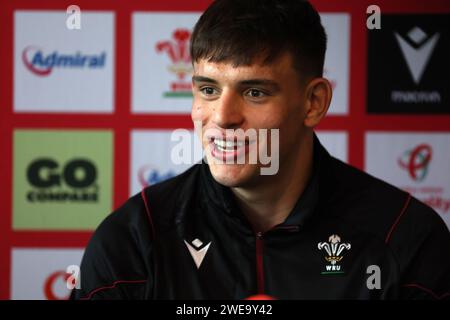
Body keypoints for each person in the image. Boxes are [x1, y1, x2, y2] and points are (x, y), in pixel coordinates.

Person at [71, 0, 450, 300]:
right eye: (208, 89)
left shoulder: (405, 239)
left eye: (254, 92)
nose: (222, 117)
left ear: (313, 102)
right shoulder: (134, 241)